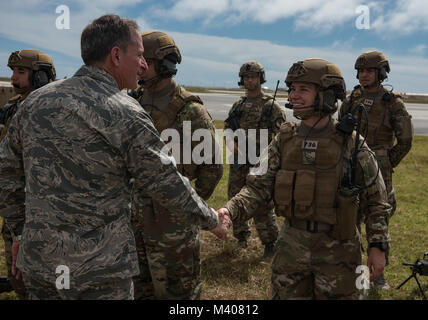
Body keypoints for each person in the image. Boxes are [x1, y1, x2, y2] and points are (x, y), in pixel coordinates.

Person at [0, 14, 229, 300]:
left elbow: (6, 173)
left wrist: (21, 233)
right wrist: (212, 220)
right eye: (140, 55)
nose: (143, 65)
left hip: (40, 268)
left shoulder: (36, 101)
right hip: (99, 274)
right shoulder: (126, 112)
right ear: (116, 55)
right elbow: (165, 181)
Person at [218, 58, 390, 299]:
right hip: (291, 248)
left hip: (339, 252)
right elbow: (257, 187)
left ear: (327, 95)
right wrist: (229, 211)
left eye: (303, 89)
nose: (294, 96)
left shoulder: (352, 143)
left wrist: (378, 246)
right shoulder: (284, 139)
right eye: (292, 89)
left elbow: (376, 201)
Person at [130, 30, 223, 300]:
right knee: (139, 289)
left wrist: (185, 209)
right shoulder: (132, 103)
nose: (139, 67)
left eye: (145, 60)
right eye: (137, 59)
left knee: (178, 295)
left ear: (166, 64)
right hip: (132, 221)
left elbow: (212, 169)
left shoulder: (191, 111)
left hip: (172, 228)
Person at [339, 51, 413, 290]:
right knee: (349, 216)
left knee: (378, 217)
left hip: (379, 167)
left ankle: (378, 275)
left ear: (381, 73)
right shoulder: (352, 99)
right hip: (351, 164)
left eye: (369, 71)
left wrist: (387, 160)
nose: (363, 75)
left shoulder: (392, 102)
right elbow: (340, 129)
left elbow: (405, 139)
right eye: (360, 71)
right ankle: (351, 269)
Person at [0, 48, 56, 299]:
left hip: (40, 207)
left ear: (41, 76)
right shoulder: (13, 108)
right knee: (16, 276)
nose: (13, 78)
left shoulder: (53, 111)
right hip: (13, 203)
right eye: (12, 71)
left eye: (20, 72)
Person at [224, 61, 286, 258]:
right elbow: (228, 128)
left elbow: (281, 136)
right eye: (246, 77)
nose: (249, 80)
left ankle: (270, 243)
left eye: (253, 76)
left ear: (260, 78)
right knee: (235, 196)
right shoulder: (238, 105)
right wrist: (231, 144)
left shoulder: (270, 106)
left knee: (261, 202)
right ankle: (241, 237)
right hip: (239, 160)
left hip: (261, 162)